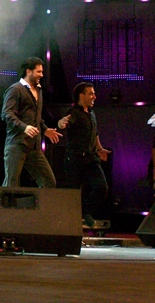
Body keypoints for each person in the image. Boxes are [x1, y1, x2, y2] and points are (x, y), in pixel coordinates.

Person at [1, 57, 61, 188]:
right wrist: (24, 127)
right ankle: (5, 208)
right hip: (17, 144)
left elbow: (35, 116)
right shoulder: (15, 89)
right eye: (38, 72)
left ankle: (41, 208)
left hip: (34, 147)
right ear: (28, 71)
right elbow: (7, 114)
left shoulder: (39, 91)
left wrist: (45, 129)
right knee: (11, 184)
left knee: (49, 182)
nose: (42, 75)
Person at [57, 82, 110, 228]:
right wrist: (61, 123)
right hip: (75, 158)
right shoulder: (73, 111)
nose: (95, 96)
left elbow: (95, 133)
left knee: (101, 187)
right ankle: (70, 227)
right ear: (82, 95)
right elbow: (64, 123)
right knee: (74, 194)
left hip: (91, 158)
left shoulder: (92, 113)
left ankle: (85, 211)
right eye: (91, 93)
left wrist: (100, 149)